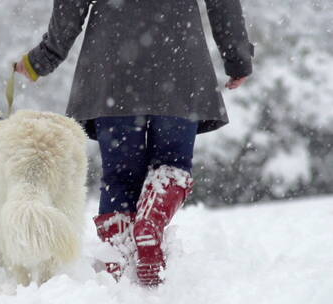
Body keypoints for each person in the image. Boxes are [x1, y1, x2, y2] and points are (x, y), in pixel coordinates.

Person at [16, 0, 253, 287]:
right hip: (178, 58)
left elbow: (71, 5)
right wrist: (237, 57)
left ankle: (116, 270)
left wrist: (42, 59)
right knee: (172, 164)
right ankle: (150, 224)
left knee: (120, 176)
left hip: (112, 65)